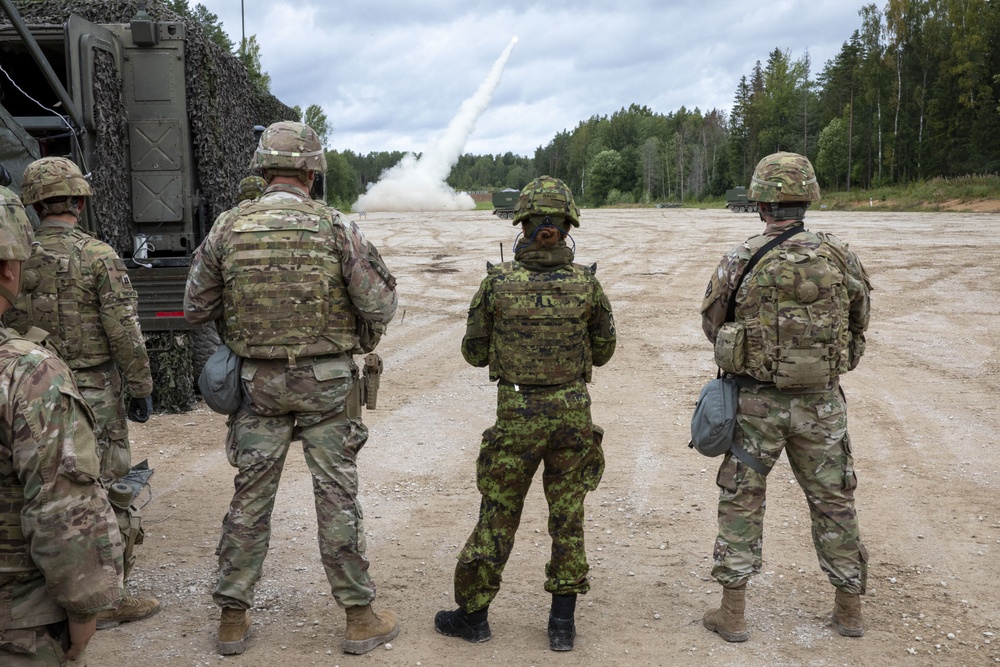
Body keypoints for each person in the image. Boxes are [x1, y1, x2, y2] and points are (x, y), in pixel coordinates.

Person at [184, 121, 400, 656]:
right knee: (336, 498)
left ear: (264, 167)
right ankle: (358, 616)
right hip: (326, 386)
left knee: (250, 500)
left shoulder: (229, 227)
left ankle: (232, 619)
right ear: (312, 170)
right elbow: (379, 305)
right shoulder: (335, 228)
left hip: (257, 386)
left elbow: (194, 307)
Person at [435, 176, 616, 652]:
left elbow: (473, 353)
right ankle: (562, 625)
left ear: (524, 225)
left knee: (498, 512)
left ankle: (473, 616)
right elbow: (604, 350)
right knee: (568, 516)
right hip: (572, 413)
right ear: (567, 225)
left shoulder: (498, 285)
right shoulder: (587, 284)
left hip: (516, 414)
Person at [699, 152, 872, 642]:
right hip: (822, 402)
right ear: (807, 199)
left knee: (742, 499)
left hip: (755, 403)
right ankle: (849, 610)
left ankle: (733, 614)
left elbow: (712, 323)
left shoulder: (740, 257)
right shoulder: (839, 255)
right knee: (834, 501)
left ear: (759, 203)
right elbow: (859, 319)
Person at [5, 156, 159, 629]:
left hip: (26, 385)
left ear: (34, 203)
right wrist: (141, 386)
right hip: (92, 389)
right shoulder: (97, 255)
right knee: (107, 487)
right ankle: (106, 599)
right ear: (78, 199)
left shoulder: (17, 255)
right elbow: (124, 329)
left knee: (33, 490)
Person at [0, 183, 124, 665]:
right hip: (16, 619)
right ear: (11, 268)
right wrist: (85, 607)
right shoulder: (26, 373)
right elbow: (62, 508)